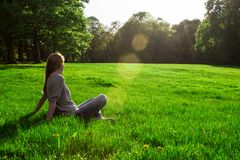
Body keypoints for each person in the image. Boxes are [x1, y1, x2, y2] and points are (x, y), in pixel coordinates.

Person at [33, 53, 110, 121]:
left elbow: (43, 99)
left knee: (93, 99)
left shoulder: (49, 78)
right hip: (73, 114)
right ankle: (94, 118)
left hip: (72, 109)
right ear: (61, 65)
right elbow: (52, 102)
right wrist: (48, 119)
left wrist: (34, 112)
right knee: (102, 97)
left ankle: (97, 117)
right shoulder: (58, 78)